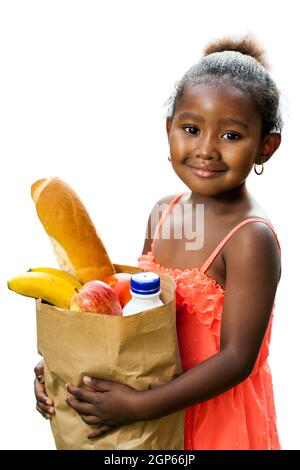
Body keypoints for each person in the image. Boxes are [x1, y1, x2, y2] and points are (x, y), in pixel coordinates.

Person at [34, 35, 283, 450]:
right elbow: (133, 312)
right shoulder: (162, 212)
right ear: (169, 130)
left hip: (213, 421)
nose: (206, 150)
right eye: (191, 129)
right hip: (148, 414)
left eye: (231, 136)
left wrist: (141, 406)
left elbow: (238, 359)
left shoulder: (250, 239)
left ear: (266, 147)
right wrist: (64, 367)